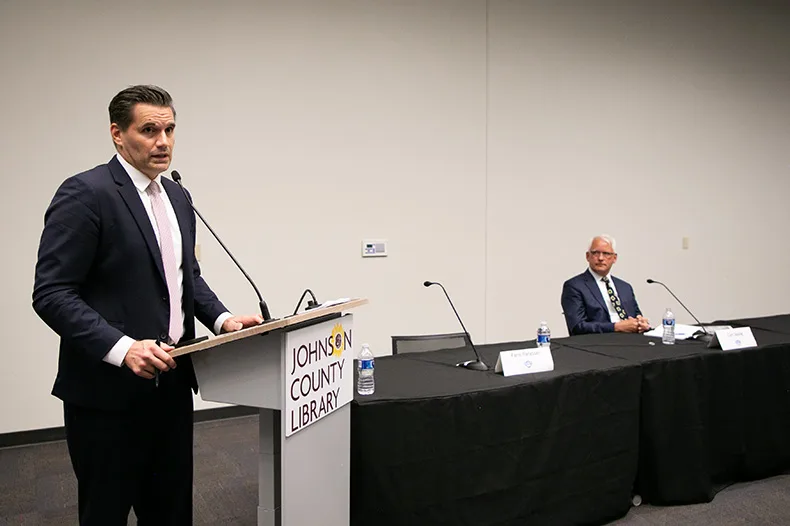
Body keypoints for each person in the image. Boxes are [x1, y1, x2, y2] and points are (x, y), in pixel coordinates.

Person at [32, 85, 263, 525]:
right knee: (106, 512)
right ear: (118, 134)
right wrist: (123, 349)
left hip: (171, 384)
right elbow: (52, 293)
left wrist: (223, 319)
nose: (163, 142)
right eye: (150, 130)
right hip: (107, 394)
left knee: (171, 511)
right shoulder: (86, 193)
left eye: (170, 130)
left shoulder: (177, 196)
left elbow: (185, 277)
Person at [561, 235, 650, 335]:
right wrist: (616, 327)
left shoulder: (625, 287)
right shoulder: (574, 286)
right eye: (595, 253)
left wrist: (641, 323)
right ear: (587, 256)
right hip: (599, 342)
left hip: (631, 340)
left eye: (606, 254)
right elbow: (577, 327)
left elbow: (636, 315)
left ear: (614, 258)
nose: (600, 258)